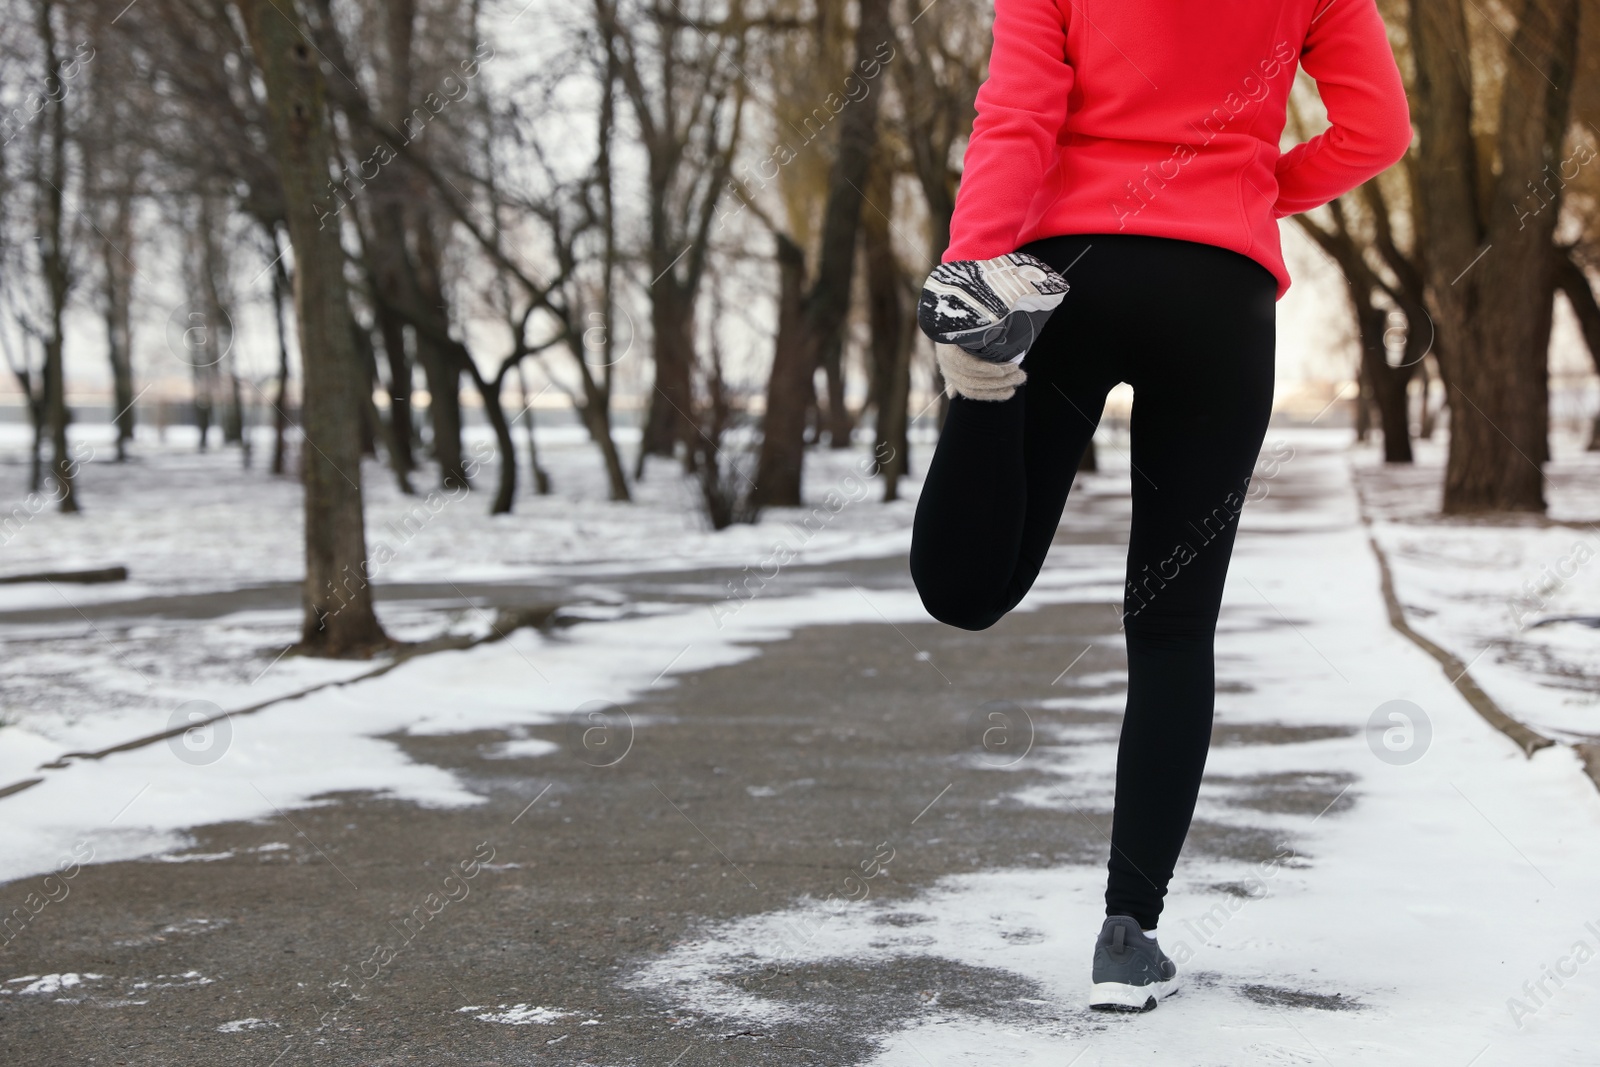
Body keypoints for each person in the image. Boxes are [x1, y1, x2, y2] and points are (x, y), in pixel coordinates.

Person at [909, 0, 1410, 1012]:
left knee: (968, 588)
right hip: (1215, 290)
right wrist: (1255, 187)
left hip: (1068, 274)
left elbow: (1014, 118)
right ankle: (1126, 932)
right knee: (1172, 628)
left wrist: (975, 270)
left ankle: (983, 382)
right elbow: (1377, 132)